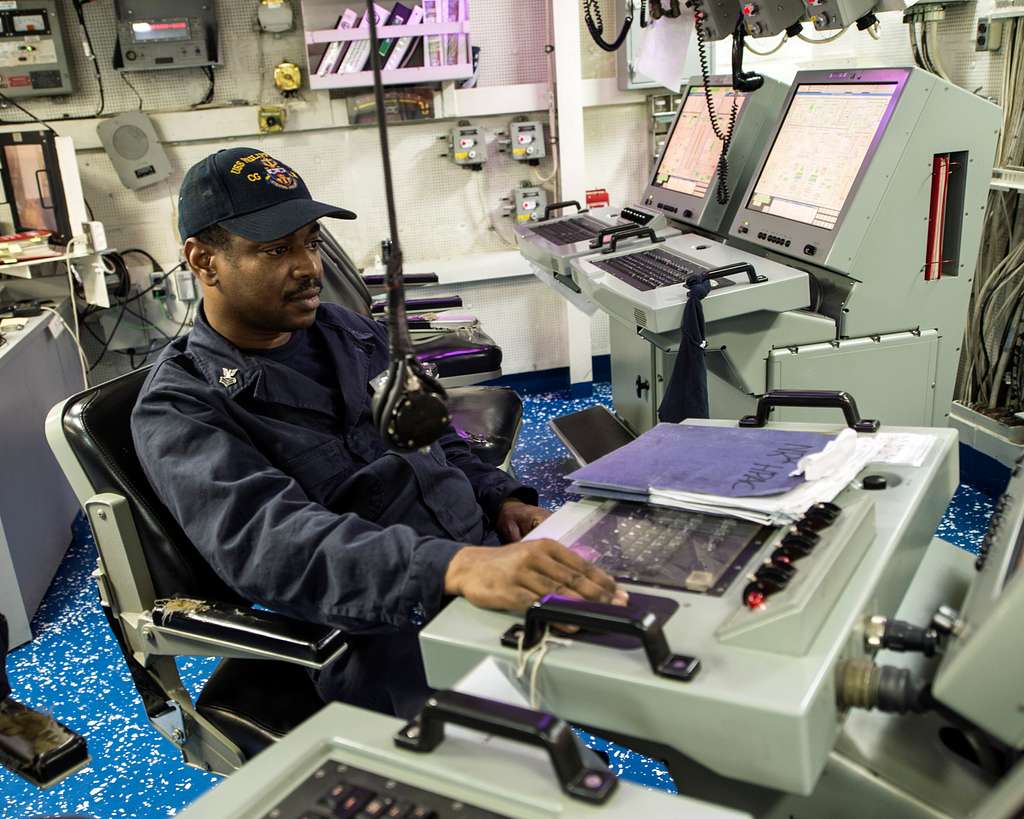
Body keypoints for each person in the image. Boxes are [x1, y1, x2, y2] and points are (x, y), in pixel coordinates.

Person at [131, 148, 626, 717]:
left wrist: (501, 498)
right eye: (275, 250)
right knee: (549, 773)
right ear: (203, 260)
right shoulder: (182, 406)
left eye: (311, 242)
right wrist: (452, 568)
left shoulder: (350, 333)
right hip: (377, 629)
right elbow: (272, 545)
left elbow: (433, 436)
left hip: (481, 564)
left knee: (664, 639)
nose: (310, 268)